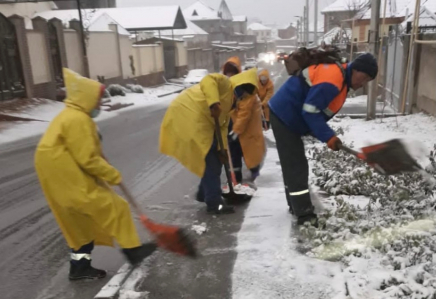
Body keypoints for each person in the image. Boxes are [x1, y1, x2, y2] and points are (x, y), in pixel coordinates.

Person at [34, 68, 156, 281]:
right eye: (98, 101)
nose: (99, 105)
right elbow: (88, 159)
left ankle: (79, 267)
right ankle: (132, 250)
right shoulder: (78, 120)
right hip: (67, 177)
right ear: (87, 99)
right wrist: (112, 175)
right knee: (117, 207)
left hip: (59, 178)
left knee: (79, 226)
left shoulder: (71, 116)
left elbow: (84, 151)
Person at [268, 53, 378, 226]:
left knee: (293, 164)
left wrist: (323, 134)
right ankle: (304, 215)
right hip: (284, 114)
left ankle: (295, 206)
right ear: (355, 69)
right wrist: (329, 136)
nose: (362, 83)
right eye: (363, 78)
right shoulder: (332, 81)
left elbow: (316, 111)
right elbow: (310, 111)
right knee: (296, 165)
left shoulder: (341, 80)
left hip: (291, 116)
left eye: (366, 81)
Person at [159, 69, 259, 214]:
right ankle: (214, 204)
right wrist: (214, 103)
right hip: (187, 113)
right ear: (237, 85)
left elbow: (223, 127)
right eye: (241, 91)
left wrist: (222, 149)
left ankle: (204, 194)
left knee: (214, 159)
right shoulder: (225, 83)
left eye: (244, 94)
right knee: (211, 161)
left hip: (200, 121)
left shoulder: (230, 104)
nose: (241, 96)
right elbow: (208, 80)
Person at [228, 84, 266, 186]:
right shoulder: (244, 98)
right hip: (244, 132)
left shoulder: (248, 100)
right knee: (237, 155)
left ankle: (253, 175)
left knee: (250, 155)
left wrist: (235, 131)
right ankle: (236, 177)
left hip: (246, 133)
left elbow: (243, 117)